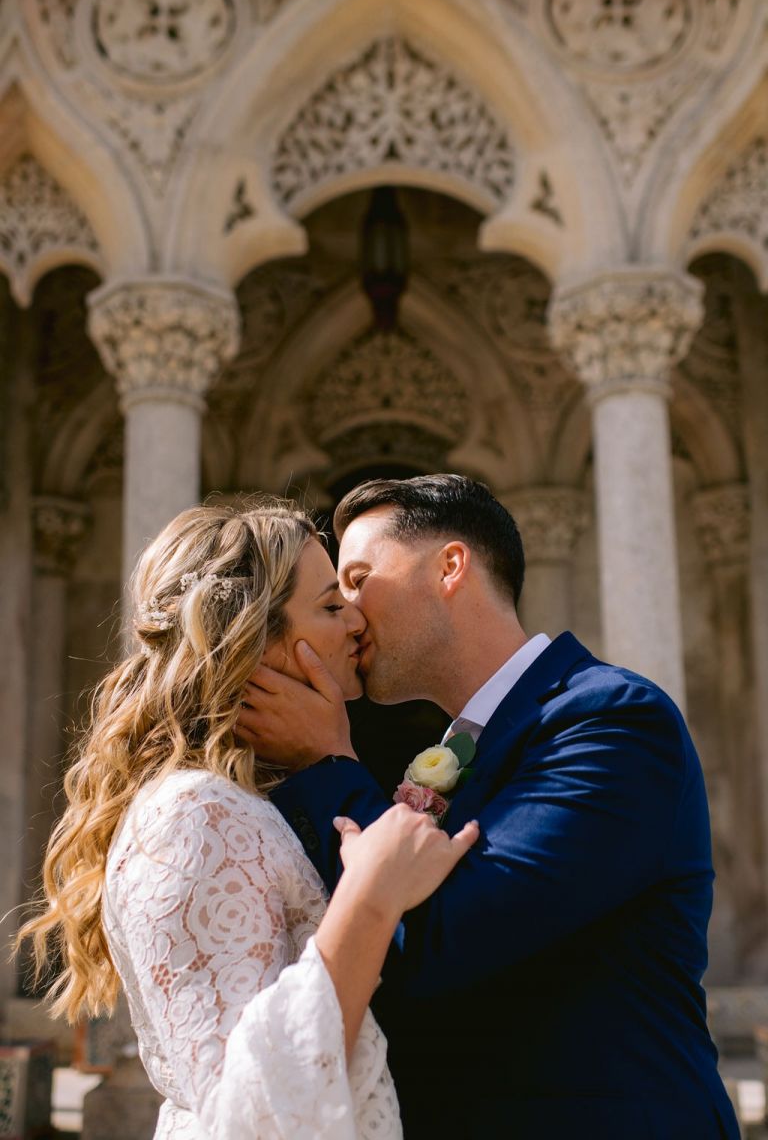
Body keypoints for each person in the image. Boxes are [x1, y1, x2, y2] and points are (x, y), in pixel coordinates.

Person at [238, 474, 741, 1140]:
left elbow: (439, 941)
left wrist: (327, 758)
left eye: (359, 578)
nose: (351, 615)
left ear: (450, 566)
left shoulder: (610, 720)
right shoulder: (459, 747)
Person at [16, 501, 479, 1140]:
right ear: (251, 638)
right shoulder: (195, 817)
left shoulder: (248, 800)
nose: (356, 620)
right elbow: (245, 1116)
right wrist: (371, 899)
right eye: (328, 605)